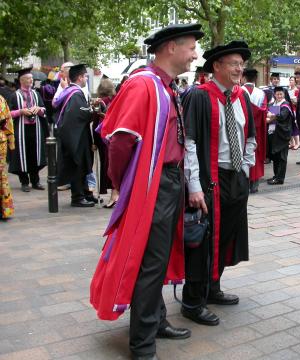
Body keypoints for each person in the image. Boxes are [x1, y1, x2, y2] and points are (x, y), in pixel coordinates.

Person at [90, 24, 204, 360]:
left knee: (161, 255)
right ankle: (142, 344)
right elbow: (121, 141)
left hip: (169, 180)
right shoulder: (143, 85)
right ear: (171, 48)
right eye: (192, 48)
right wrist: (128, 184)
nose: (196, 54)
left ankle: (156, 321)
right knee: (151, 261)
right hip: (152, 184)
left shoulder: (165, 86)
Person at [182, 40, 256, 326]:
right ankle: (192, 302)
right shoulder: (199, 96)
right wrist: (194, 186)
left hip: (236, 177)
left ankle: (212, 288)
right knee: (202, 241)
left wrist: (246, 170)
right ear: (216, 66)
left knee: (226, 237)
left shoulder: (242, 97)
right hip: (209, 180)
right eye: (234, 63)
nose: (240, 68)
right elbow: (188, 142)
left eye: (241, 64)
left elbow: (250, 136)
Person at [54, 64, 96, 207]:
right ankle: (78, 197)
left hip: (76, 136)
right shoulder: (75, 94)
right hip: (76, 138)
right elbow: (79, 115)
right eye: (85, 76)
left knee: (82, 165)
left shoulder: (68, 91)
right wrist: (92, 112)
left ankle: (85, 193)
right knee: (78, 166)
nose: (86, 78)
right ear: (79, 77)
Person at [8, 68, 48, 192]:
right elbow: (7, 113)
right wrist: (21, 111)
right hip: (21, 130)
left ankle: (35, 181)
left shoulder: (36, 94)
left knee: (34, 154)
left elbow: (44, 110)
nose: (31, 80)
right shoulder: (15, 95)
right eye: (28, 78)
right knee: (22, 155)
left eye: (31, 78)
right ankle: (24, 182)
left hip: (35, 129)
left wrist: (38, 109)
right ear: (21, 80)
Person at [91, 78, 118, 208]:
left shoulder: (100, 102)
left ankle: (113, 196)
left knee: (106, 166)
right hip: (116, 137)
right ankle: (115, 194)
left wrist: (94, 142)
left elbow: (95, 123)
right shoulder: (117, 100)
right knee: (115, 165)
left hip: (104, 138)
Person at [242, 68, 267, 193]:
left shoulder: (239, 91)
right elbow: (263, 112)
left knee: (242, 153)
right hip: (256, 130)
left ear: (244, 77)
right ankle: (255, 185)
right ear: (255, 79)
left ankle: (244, 183)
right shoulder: (261, 93)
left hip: (242, 129)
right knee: (255, 154)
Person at [266, 86, 293, 185]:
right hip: (274, 133)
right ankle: (276, 176)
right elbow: (271, 117)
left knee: (282, 157)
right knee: (275, 156)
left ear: (284, 94)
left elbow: (282, 116)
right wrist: (271, 116)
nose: (279, 96)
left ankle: (280, 178)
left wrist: (271, 116)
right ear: (274, 95)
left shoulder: (285, 105)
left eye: (281, 94)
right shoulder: (274, 104)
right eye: (277, 94)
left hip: (282, 135)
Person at [0, 95, 14, 219]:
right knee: (1, 175)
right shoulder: (1, 99)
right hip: (1, 139)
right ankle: (4, 209)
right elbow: (8, 122)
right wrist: (11, 142)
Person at [288, 75, 300, 150]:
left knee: (295, 126)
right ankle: (292, 143)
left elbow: (296, 102)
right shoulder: (288, 90)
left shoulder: (296, 90)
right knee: (290, 127)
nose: (290, 82)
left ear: (295, 82)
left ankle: (297, 143)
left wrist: (292, 100)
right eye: (290, 80)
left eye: (292, 80)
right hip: (288, 109)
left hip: (294, 110)